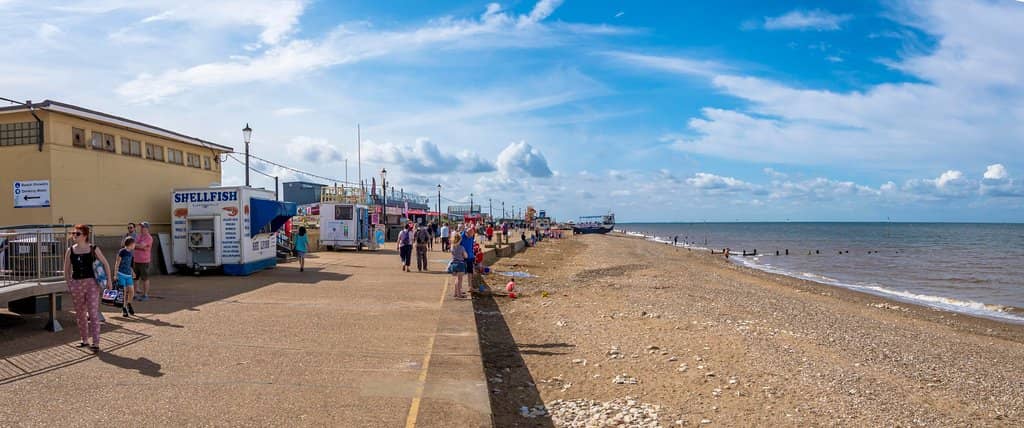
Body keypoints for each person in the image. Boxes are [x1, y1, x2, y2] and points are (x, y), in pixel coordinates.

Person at [63, 225, 111, 352]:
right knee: (80, 314)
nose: (74, 235)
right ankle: (84, 340)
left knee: (93, 313)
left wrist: (110, 281)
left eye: (77, 233)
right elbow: (66, 269)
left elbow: (105, 264)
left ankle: (96, 342)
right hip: (76, 284)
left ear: (85, 235)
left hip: (92, 284)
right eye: (73, 233)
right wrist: (70, 284)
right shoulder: (70, 250)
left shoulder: (93, 249)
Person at [113, 237, 137, 317]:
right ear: (130, 244)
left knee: (131, 291)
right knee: (123, 291)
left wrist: (132, 271)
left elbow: (129, 264)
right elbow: (117, 263)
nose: (135, 245)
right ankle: (123, 308)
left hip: (128, 275)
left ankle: (129, 304)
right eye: (134, 243)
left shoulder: (131, 252)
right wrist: (115, 274)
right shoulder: (122, 251)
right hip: (121, 274)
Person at [133, 221, 153, 301]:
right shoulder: (138, 236)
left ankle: (145, 295)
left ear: (147, 228)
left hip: (144, 261)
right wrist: (139, 246)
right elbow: (133, 245)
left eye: (143, 227)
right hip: (136, 259)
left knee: (145, 278)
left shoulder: (149, 237)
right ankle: (134, 294)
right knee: (135, 278)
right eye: (141, 227)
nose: (141, 229)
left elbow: (140, 245)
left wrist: (137, 246)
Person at [450, 233, 468, 298]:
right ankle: (459, 294)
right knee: (460, 280)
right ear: (459, 240)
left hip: (454, 264)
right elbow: (466, 256)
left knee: (456, 279)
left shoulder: (452, 247)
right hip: (460, 264)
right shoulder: (461, 247)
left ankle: (455, 293)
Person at [461, 226, 476, 290]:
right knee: (461, 272)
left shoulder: (471, 237)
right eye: (470, 235)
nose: (471, 236)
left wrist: (473, 255)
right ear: (467, 233)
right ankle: (460, 287)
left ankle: (470, 286)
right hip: (462, 257)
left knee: (470, 272)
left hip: (470, 257)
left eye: (472, 235)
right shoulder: (462, 236)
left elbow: (472, 246)